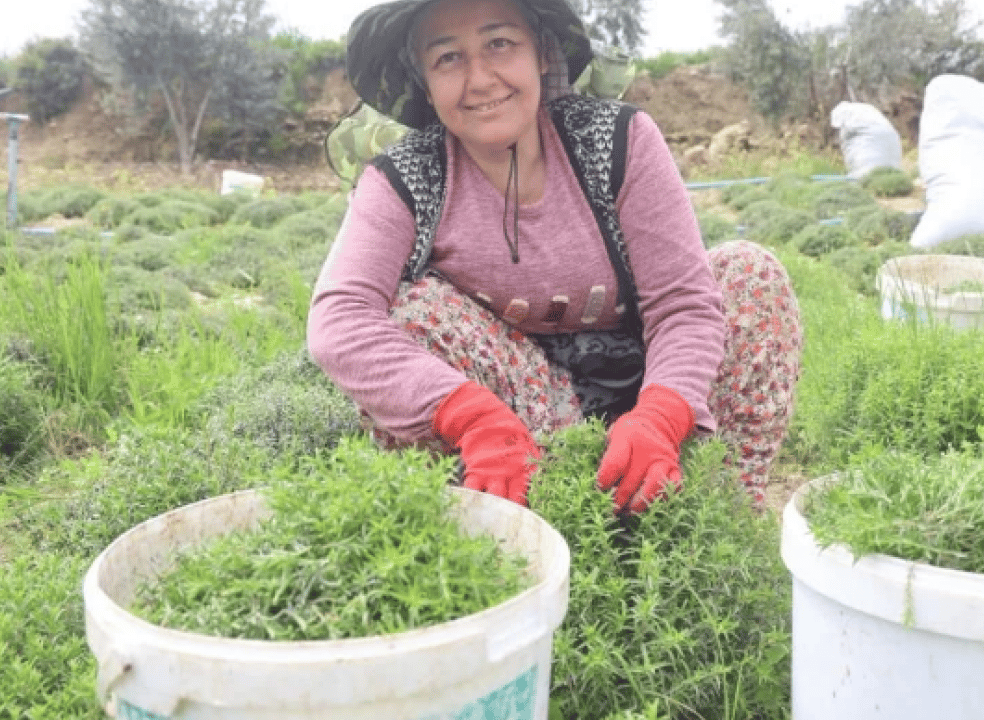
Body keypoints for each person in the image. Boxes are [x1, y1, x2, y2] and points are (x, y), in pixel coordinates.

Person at [307, 0, 802, 513]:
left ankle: (715, 517)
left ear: (542, 52)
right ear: (425, 81)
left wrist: (660, 415)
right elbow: (338, 320)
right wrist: (470, 418)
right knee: (412, 313)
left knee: (749, 274)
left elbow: (683, 303)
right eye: (448, 58)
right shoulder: (405, 179)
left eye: (500, 44)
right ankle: (511, 522)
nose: (479, 79)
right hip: (527, 419)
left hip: (649, 387)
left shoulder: (616, 140)